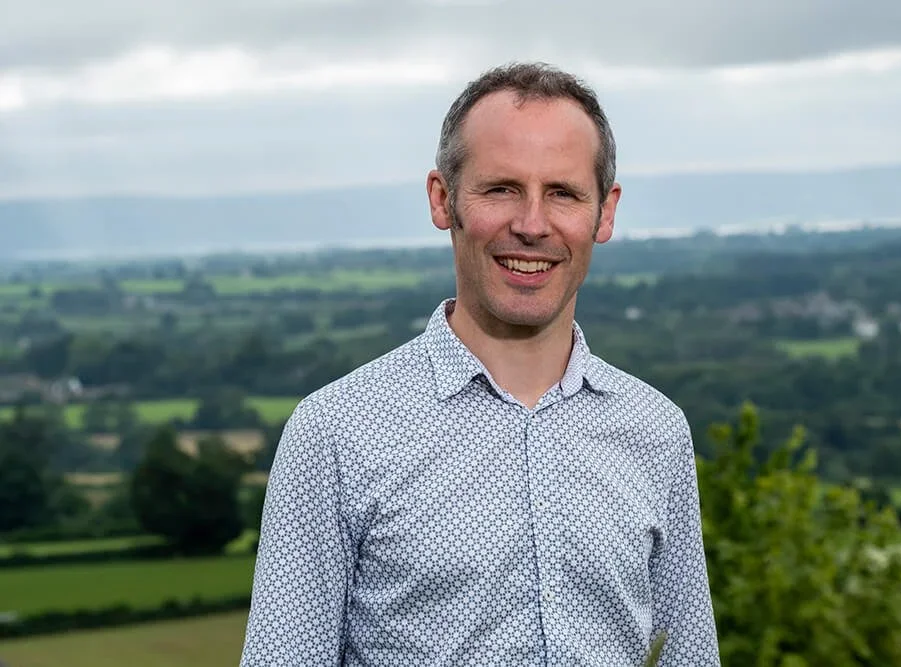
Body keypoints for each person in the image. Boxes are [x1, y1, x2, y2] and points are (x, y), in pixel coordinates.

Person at [240, 61, 720, 666]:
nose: (531, 225)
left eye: (563, 194)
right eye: (501, 189)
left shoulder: (657, 431)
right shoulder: (336, 433)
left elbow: (688, 657)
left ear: (605, 212)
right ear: (444, 200)